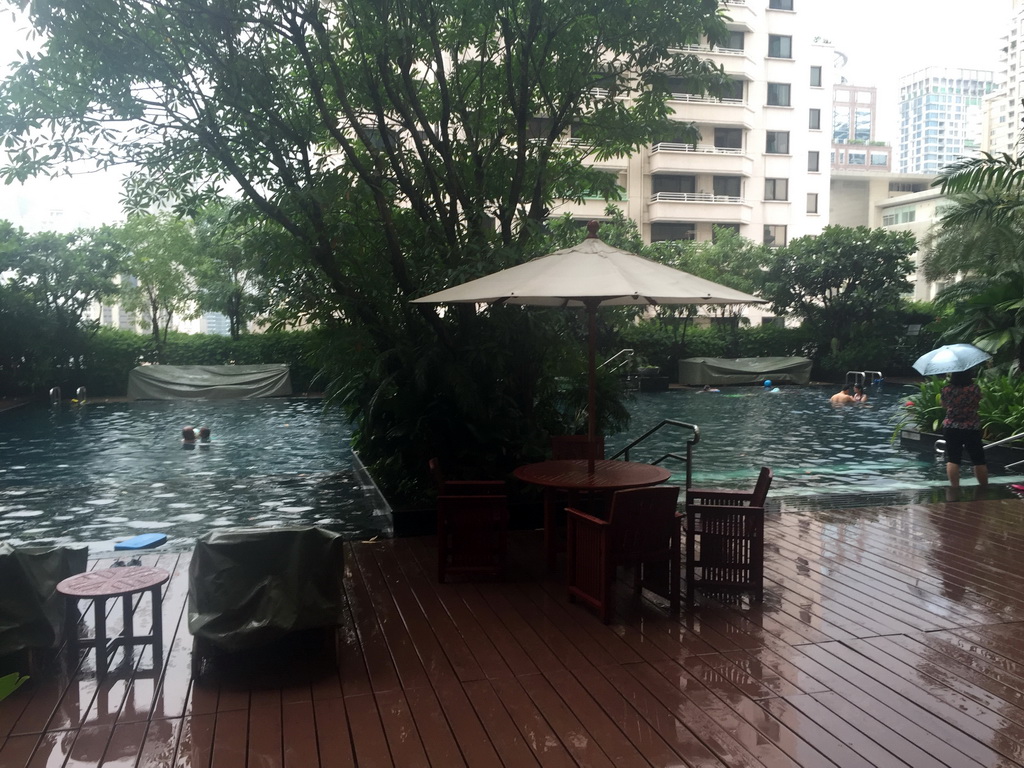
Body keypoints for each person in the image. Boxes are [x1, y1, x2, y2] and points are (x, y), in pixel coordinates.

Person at [941, 369, 988, 489]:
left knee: (953, 459)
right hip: (971, 427)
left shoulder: (947, 389)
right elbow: (978, 402)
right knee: (978, 459)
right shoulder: (974, 389)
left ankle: (955, 488)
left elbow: (944, 405)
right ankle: (983, 487)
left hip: (951, 427)